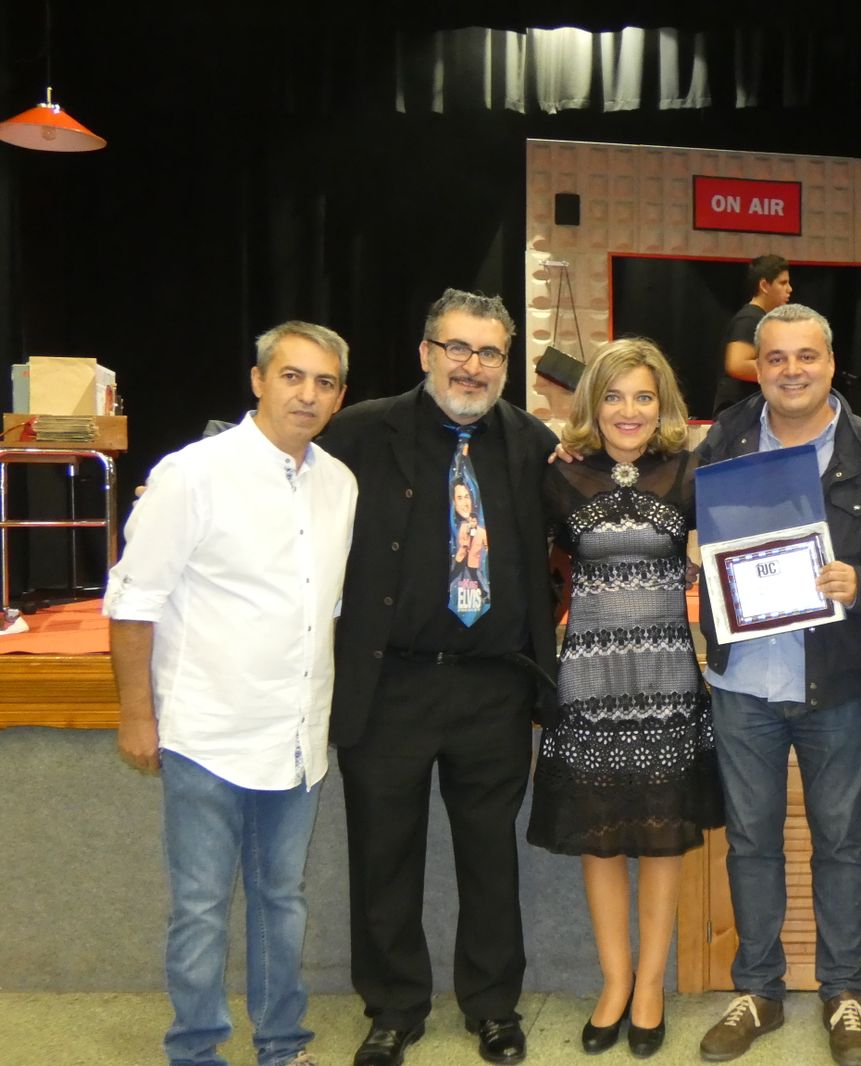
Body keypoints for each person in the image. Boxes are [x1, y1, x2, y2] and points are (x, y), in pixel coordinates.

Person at [319, 289, 559, 1066]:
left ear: (506, 363)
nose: (472, 366)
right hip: (390, 683)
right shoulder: (358, 432)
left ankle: (493, 1007)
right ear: (426, 353)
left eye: (490, 353)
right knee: (382, 853)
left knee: (490, 856)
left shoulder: (533, 442)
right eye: (457, 348)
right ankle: (393, 1008)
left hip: (494, 685)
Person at [107, 321, 357, 1066]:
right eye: (291, 376)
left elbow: (326, 611)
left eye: (324, 383)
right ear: (258, 380)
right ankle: (195, 1050)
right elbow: (133, 602)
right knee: (201, 907)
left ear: (340, 398)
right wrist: (136, 715)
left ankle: (282, 1044)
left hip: (295, 736)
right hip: (207, 732)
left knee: (283, 900)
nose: (306, 395)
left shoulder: (340, 485)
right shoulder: (192, 474)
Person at [696, 303, 861, 1066]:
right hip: (743, 680)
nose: (792, 370)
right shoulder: (722, 440)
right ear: (756, 367)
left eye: (807, 356)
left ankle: (843, 992)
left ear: (831, 362)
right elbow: (682, 517)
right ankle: (758, 990)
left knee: (841, 843)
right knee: (751, 841)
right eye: (777, 357)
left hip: (837, 682)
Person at [526, 338, 723, 1058]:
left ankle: (650, 987)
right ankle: (614, 982)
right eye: (613, 396)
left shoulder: (690, 473)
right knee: (601, 837)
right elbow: (529, 572)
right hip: (589, 683)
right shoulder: (560, 475)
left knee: (664, 839)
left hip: (668, 680)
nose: (629, 411)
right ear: (593, 404)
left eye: (643, 396)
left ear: (663, 403)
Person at [711, 254, 792, 415]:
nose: (789, 289)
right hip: (738, 413)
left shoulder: (759, 318)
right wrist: (782, 372)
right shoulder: (750, 318)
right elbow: (737, 365)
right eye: (783, 283)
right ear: (764, 285)